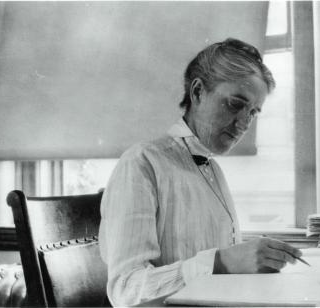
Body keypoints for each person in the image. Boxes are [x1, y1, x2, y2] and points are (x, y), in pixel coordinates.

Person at [98, 38, 303, 306]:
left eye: (253, 112)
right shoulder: (142, 163)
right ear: (197, 92)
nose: (244, 124)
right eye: (236, 104)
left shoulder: (212, 170)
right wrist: (221, 262)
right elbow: (125, 290)